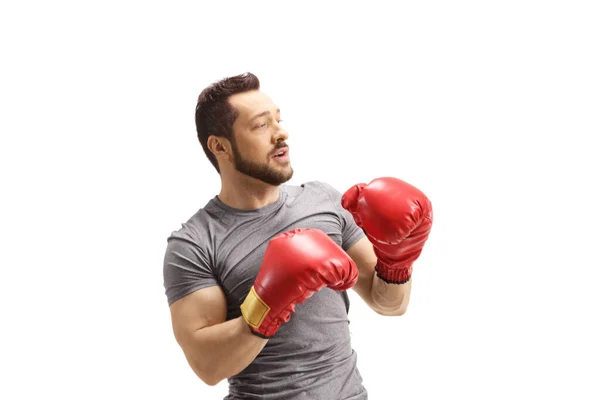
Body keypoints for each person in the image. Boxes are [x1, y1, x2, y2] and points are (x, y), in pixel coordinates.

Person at [162, 72, 433, 399]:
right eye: (261, 125)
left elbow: (388, 304)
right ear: (221, 147)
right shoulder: (194, 243)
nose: (281, 133)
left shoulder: (324, 200)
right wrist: (266, 304)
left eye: (278, 120)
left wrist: (398, 259)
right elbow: (207, 366)